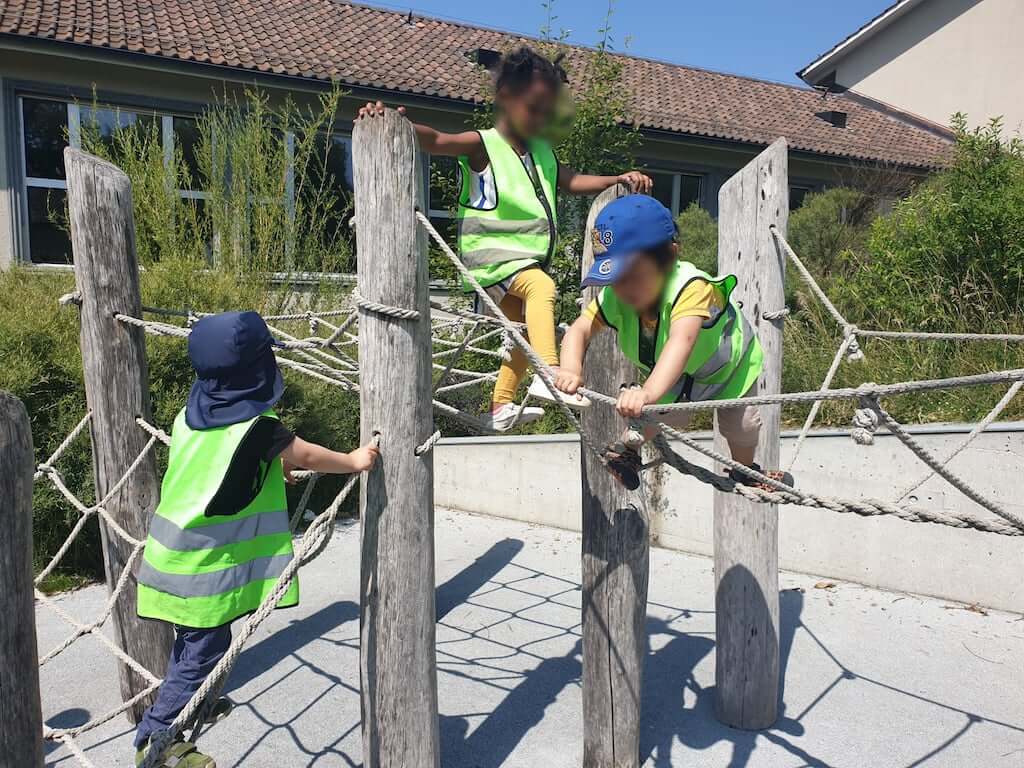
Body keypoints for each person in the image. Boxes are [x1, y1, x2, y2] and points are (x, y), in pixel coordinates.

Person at [358, 46, 653, 431]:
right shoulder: (484, 145)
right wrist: (396, 124)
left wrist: (616, 179)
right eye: (532, 108)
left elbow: (571, 181)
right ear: (505, 101)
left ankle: (500, 405)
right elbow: (437, 140)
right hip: (494, 258)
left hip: (522, 262)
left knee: (521, 334)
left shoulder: (542, 152)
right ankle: (551, 374)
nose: (539, 119)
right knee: (543, 290)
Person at [133, 311, 379, 768]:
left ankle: (193, 706)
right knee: (203, 651)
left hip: (172, 557)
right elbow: (304, 454)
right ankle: (157, 739)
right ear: (260, 371)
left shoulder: (191, 416)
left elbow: (222, 467)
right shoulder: (260, 428)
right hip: (205, 569)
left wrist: (270, 469)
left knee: (192, 644)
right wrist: (353, 459)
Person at [554, 195, 793, 491]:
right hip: (676, 376)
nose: (623, 288)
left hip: (728, 370)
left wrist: (647, 391)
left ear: (669, 257)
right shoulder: (617, 297)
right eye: (615, 278)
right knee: (646, 421)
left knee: (740, 425)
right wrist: (570, 368)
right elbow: (579, 331)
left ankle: (746, 471)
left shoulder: (691, 288)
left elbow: (682, 341)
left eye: (633, 274)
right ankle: (628, 454)